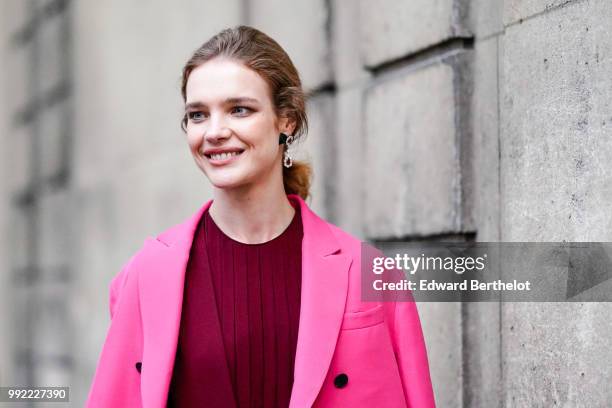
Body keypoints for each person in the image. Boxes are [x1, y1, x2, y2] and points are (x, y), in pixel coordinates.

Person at [86, 25, 435, 408]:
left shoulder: (368, 272)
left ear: (285, 120)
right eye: (198, 115)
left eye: (239, 110)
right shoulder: (145, 275)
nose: (215, 132)